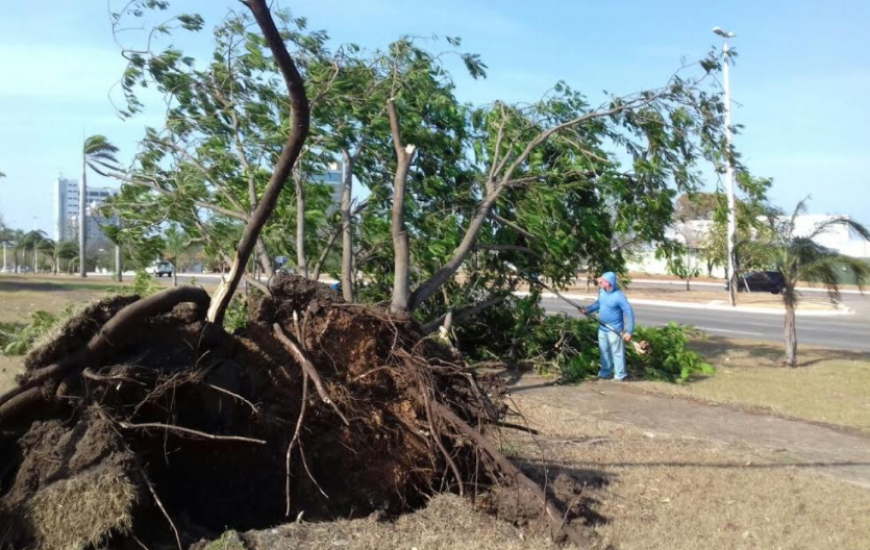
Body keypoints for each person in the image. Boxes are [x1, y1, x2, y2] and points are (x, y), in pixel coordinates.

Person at [580, 271, 635, 381]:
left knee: (617, 352)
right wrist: (588, 309)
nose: (599, 282)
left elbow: (629, 312)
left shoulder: (619, 296)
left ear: (609, 283)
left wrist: (629, 331)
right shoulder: (602, 291)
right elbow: (598, 304)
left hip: (614, 329)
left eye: (602, 281)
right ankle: (605, 372)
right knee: (603, 350)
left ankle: (620, 375)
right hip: (602, 328)